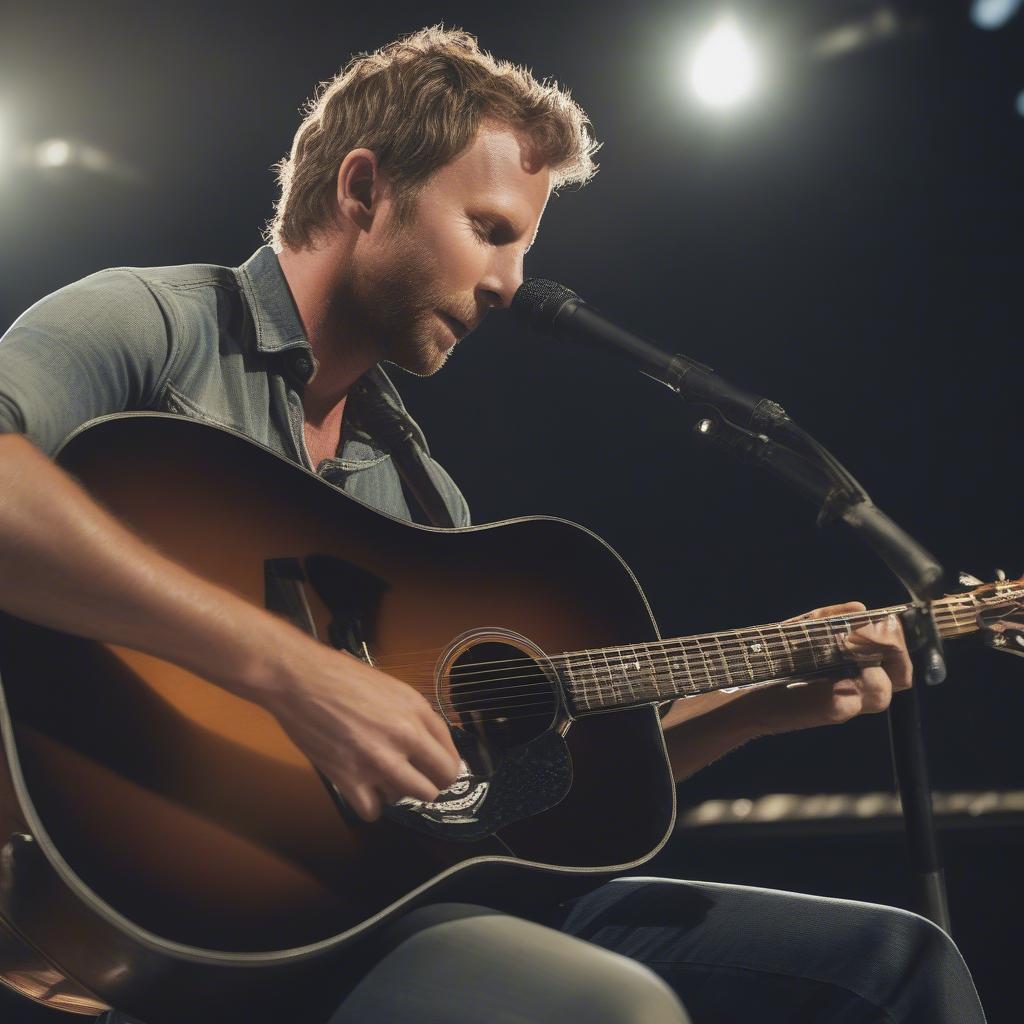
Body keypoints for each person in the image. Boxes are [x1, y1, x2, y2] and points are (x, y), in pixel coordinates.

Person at [0, 25, 985, 1024]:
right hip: (205, 907)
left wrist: (757, 705)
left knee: (896, 961)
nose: (511, 283)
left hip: (416, 898)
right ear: (362, 190)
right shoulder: (151, 326)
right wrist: (294, 670)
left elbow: (508, 803)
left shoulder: (420, 492)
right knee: (610, 1008)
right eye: (491, 230)